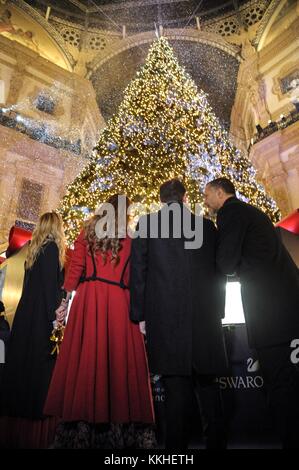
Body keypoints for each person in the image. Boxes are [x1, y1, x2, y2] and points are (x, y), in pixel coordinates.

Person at [44, 195, 155, 449]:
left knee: (87, 362)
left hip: (89, 301)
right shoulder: (132, 238)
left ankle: (80, 429)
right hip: (120, 301)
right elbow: (135, 277)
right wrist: (142, 315)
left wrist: (64, 301)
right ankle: (119, 429)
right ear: (126, 213)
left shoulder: (88, 232)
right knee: (119, 365)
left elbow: (75, 271)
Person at [130, 179, 227, 450]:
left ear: (161, 200)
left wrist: (139, 315)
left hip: (166, 321)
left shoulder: (147, 225)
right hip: (205, 321)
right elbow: (219, 273)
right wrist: (218, 311)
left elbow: (138, 273)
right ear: (185, 198)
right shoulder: (207, 227)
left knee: (174, 394)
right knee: (209, 390)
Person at [204, 177, 299, 449]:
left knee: (279, 383)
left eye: (207, 195)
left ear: (221, 194)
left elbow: (225, 261)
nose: (205, 201)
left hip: (271, 312)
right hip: (281, 307)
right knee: (284, 380)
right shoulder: (248, 212)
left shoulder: (230, 213)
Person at [0, 212, 66, 448]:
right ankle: (34, 433)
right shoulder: (51, 251)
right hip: (40, 322)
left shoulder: (34, 251)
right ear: (57, 228)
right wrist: (55, 320)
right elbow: (50, 291)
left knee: (20, 369)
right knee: (37, 373)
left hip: (25, 319)